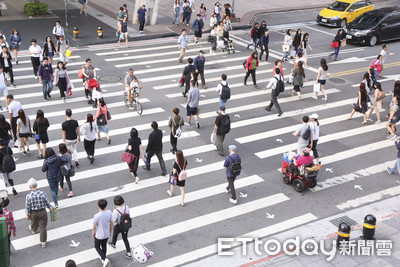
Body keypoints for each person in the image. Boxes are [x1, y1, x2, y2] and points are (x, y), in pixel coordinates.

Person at [25, 178, 52, 248]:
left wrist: (27, 214)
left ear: (29, 187)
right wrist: (50, 208)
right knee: (43, 227)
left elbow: (27, 206)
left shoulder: (28, 196)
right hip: (42, 211)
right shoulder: (42, 193)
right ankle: (43, 242)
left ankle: (33, 230)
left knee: (34, 222)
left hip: (33, 213)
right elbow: (47, 202)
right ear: (37, 185)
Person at [92, 199, 113, 267]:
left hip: (99, 235)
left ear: (98, 206)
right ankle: (103, 258)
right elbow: (112, 222)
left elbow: (94, 226)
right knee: (104, 245)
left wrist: (93, 233)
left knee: (97, 246)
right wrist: (110, 231)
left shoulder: (97, 216)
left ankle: (104, 258)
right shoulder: (109, 212)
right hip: (106, 233)